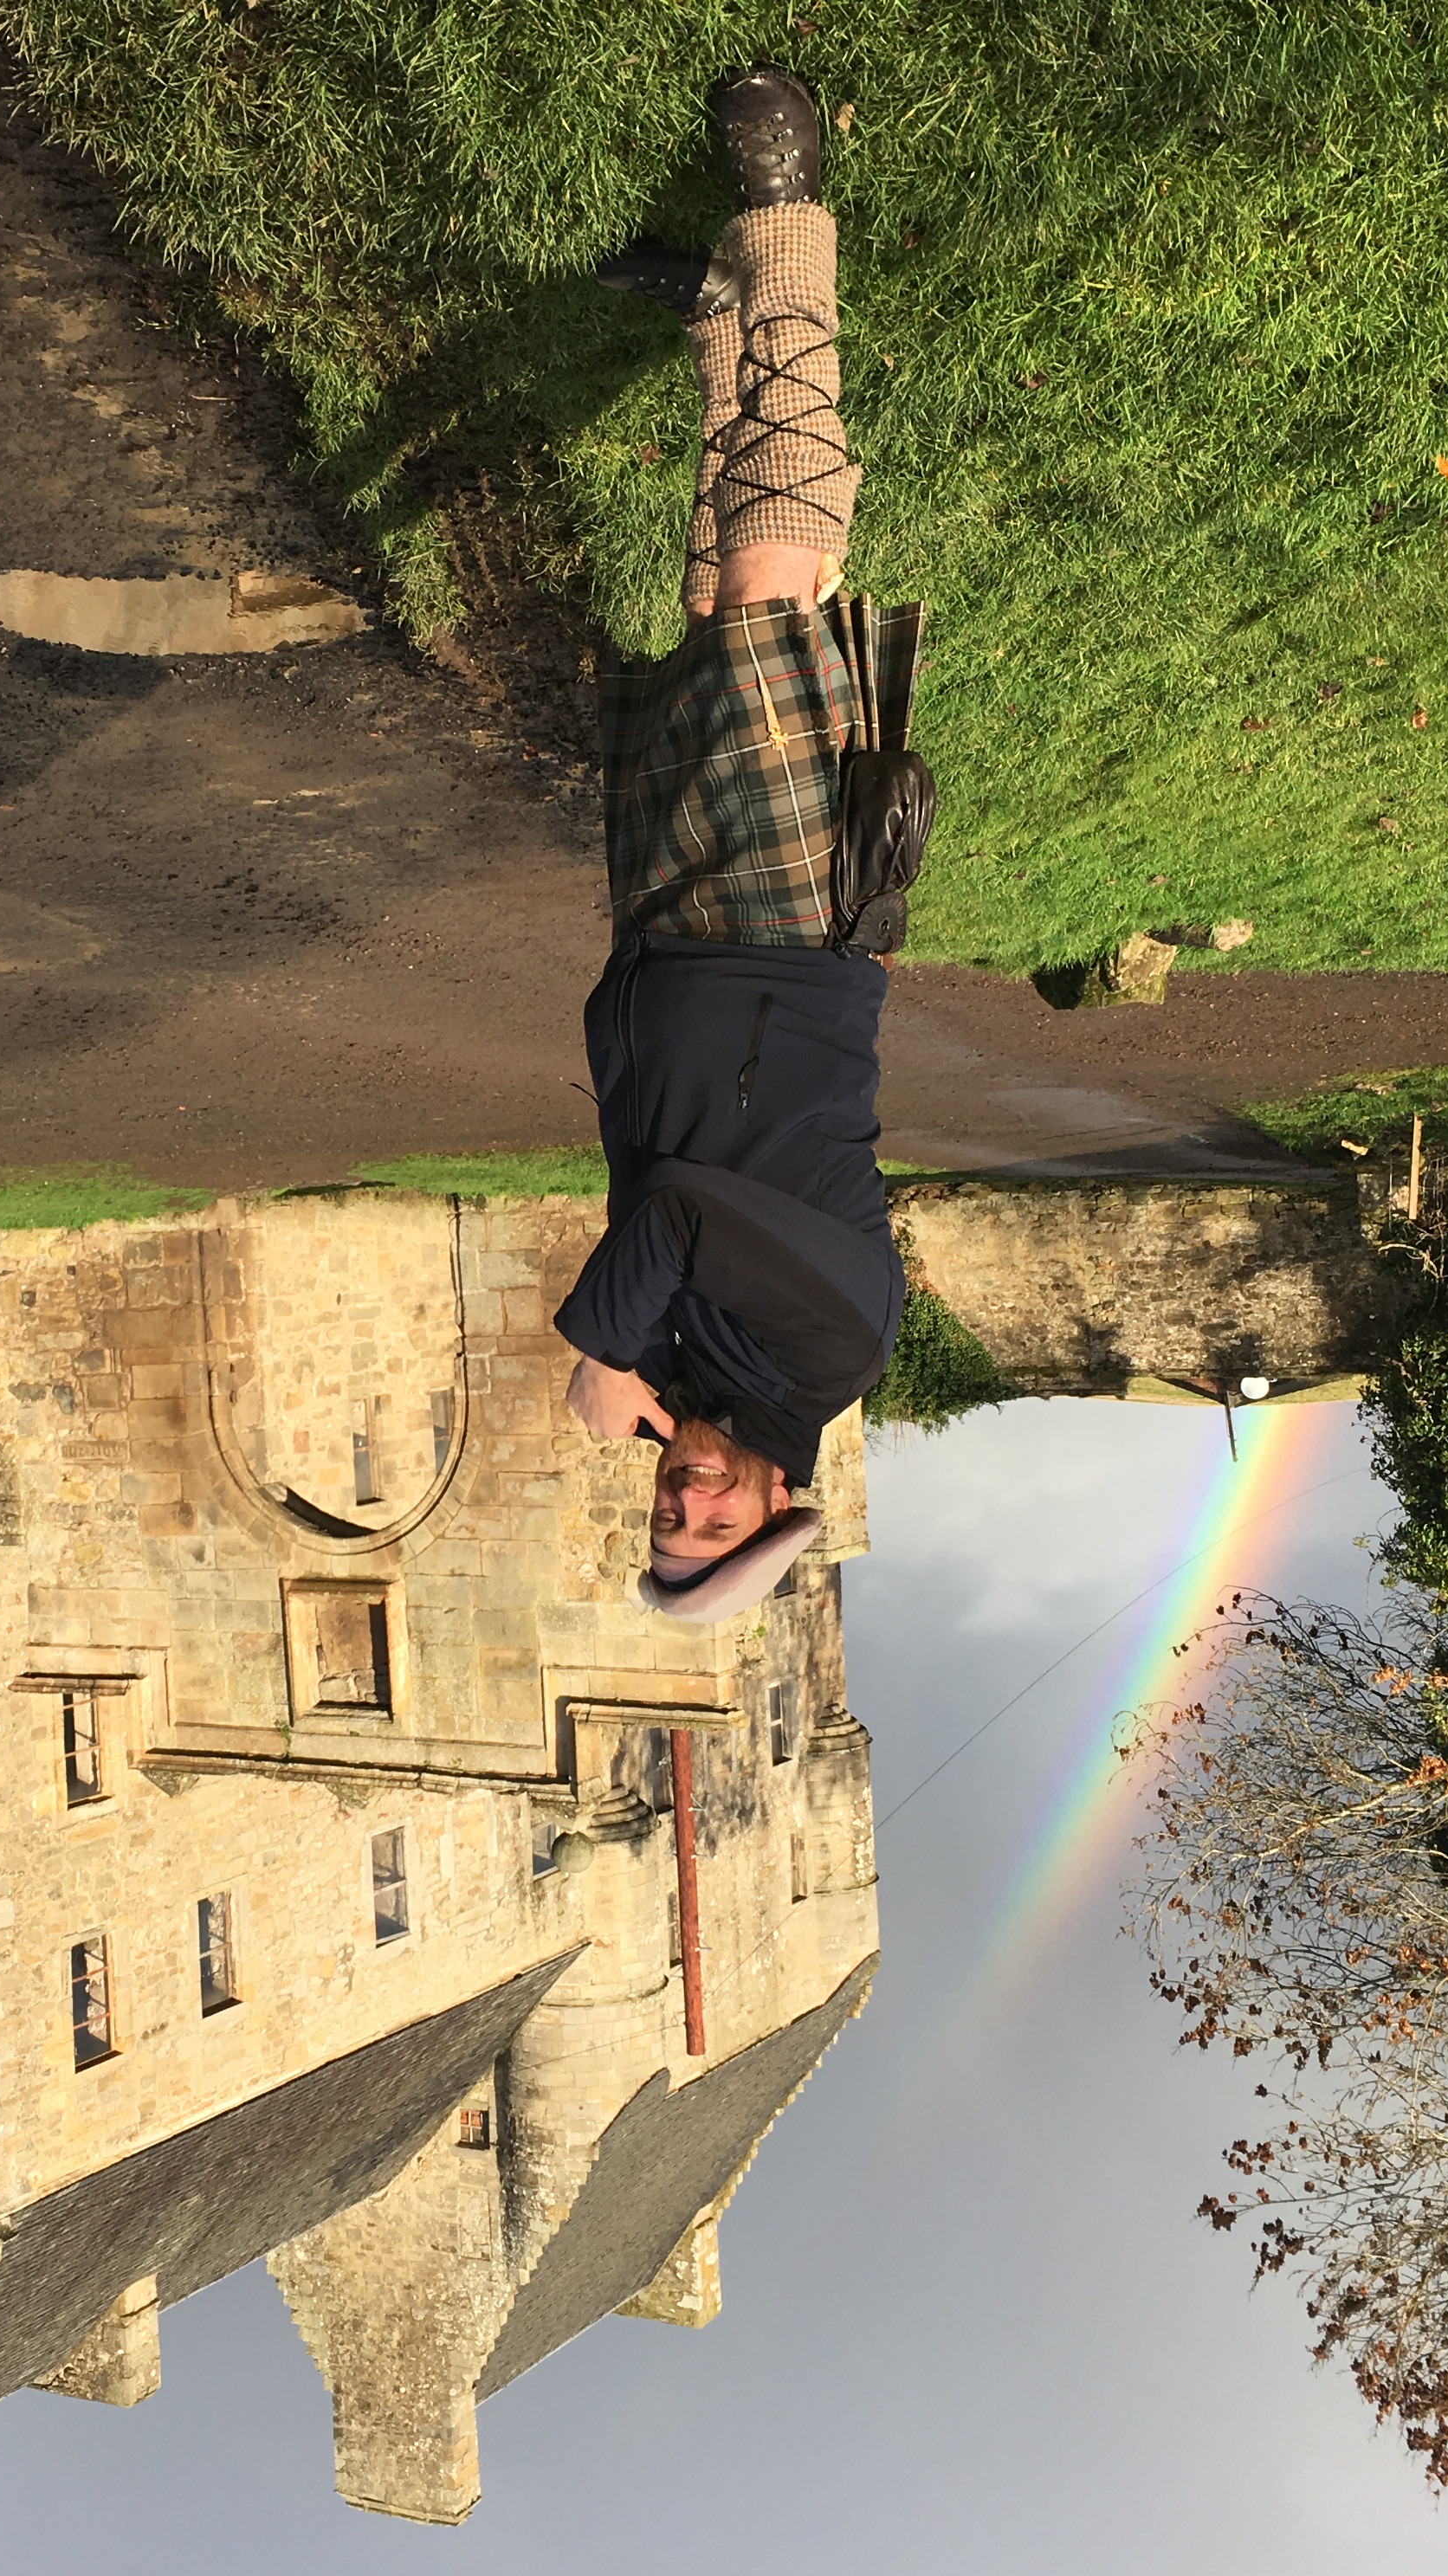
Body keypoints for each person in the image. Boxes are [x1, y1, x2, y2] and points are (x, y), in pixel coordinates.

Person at [553, 64, 907, 1624]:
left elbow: (656, 1201)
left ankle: (719, 330)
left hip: (667, 954)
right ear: (781, 1503)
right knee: (773, 592)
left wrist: (628, 1352)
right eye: (713, 1523)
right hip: (785, 942)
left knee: (709, 619)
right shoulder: (831, 1352)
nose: (684, 1499)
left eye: (666, 1522)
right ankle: (788, 219)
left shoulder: (696, 1370)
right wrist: (596, 1348)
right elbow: (686, 1210)